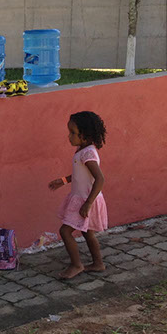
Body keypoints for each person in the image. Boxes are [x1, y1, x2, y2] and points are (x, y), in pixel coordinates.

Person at [48, 111, 108, 280]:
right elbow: (80, 174)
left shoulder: (88, 154)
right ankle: (98, 263)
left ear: (85, 135)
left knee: (65, 231)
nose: (69, 136)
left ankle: (76, 265)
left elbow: (100, 179)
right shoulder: (82, 151)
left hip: (85, 200)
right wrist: (63, 181)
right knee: (87, 232)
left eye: (73, 133)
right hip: (83, 198)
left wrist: (88, 203)